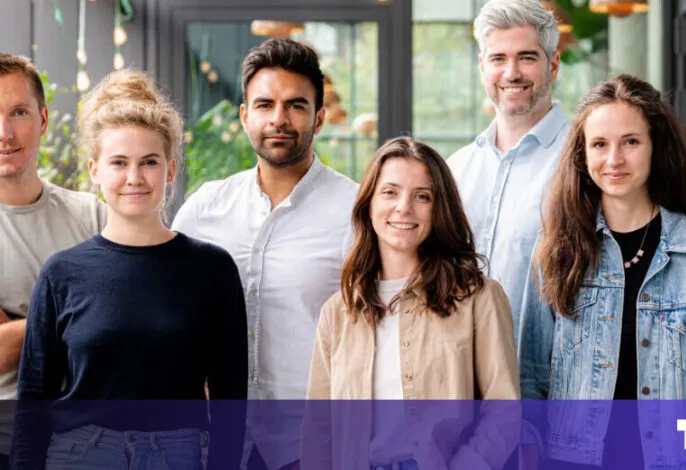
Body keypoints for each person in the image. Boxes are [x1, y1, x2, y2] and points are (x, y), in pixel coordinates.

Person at [11, 69, 248, 470]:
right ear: (94, 170)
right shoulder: (61, 274)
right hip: (80, 455)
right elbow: (34, 399)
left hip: (180, 455)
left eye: (149, 162)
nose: (134, 178)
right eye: (119, 162)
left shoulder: (212, 270)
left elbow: (230, 400)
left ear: (170, 169)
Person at [519, 75, 686, 469]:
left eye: (631, 142)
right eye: (600, 144)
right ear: (583, 156)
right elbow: (531, 376)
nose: (614, 159)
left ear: (656, 146)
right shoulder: (555, 251)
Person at [171, 38, 358, 470]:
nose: (279, 119)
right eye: (264, 104)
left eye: (295, 105)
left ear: (320, 117)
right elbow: (167, 304)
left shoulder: (355, 212)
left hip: (312, 444)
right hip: (215, 441)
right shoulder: (205, 208)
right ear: (244, 115)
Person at [304, 136, 520, 470]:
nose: (404, 207)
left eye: (422, 196)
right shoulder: (338, 310)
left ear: (439, 209)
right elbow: (319, 428)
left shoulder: (479, 297)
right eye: (390, 192)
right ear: (369, 204)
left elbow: (504, 409)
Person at [0, 53, 106, 468]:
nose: (4, 132)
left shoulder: (92, 214)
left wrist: (20, 325)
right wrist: (85, 311)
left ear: (43, 119)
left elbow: (133, 323)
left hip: (92, 446)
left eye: (19, 112)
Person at [447, 0, 571, 331]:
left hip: (549, 378)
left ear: (554, 65)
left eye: (527, 57)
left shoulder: (585, 161)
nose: (511, 73)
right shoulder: (455, 170)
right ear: (482, 67)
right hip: (462, 376)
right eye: (498, 58)